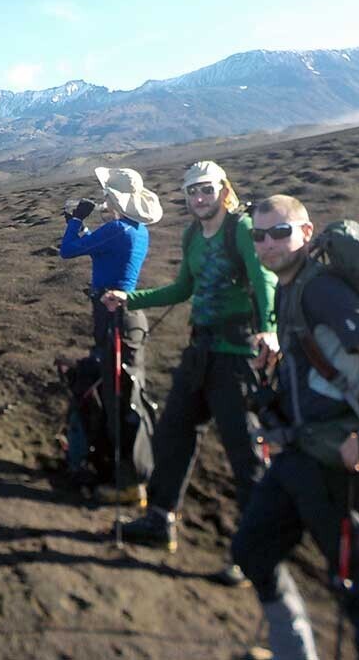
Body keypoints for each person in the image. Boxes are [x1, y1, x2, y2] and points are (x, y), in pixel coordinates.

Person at [231, 195, 359, 659]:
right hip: (298, 453)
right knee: (252, 549)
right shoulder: (288, 287)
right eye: (259, 236)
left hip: (338, 465)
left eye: (280, 232)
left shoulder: (320, 289)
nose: (268, 244)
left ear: (306, 233)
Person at [102, 160, 277, 586]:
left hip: (238, 357)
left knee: (245, 455)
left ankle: (256, 554)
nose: (199, 197)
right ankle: (159, 520)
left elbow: (263, 278)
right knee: (173, 434)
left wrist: (270, 329)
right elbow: (184, 288)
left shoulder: (241, 229)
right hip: (200, 353)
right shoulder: (193, 235)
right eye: (192, 191)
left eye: (206, 189)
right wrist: (130, 299)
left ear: (223, 190)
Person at [59, 167, 162, 502]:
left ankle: (130, 482)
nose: (103, 199)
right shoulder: (133, 229)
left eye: (107, 195)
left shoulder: (117, 229)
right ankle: (123, 472)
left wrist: (76, 220)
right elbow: (95, 246)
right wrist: (78, 225)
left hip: (115, 316)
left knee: (120, 397)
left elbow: (68, 250)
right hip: (122, 316)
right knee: (122, 393)